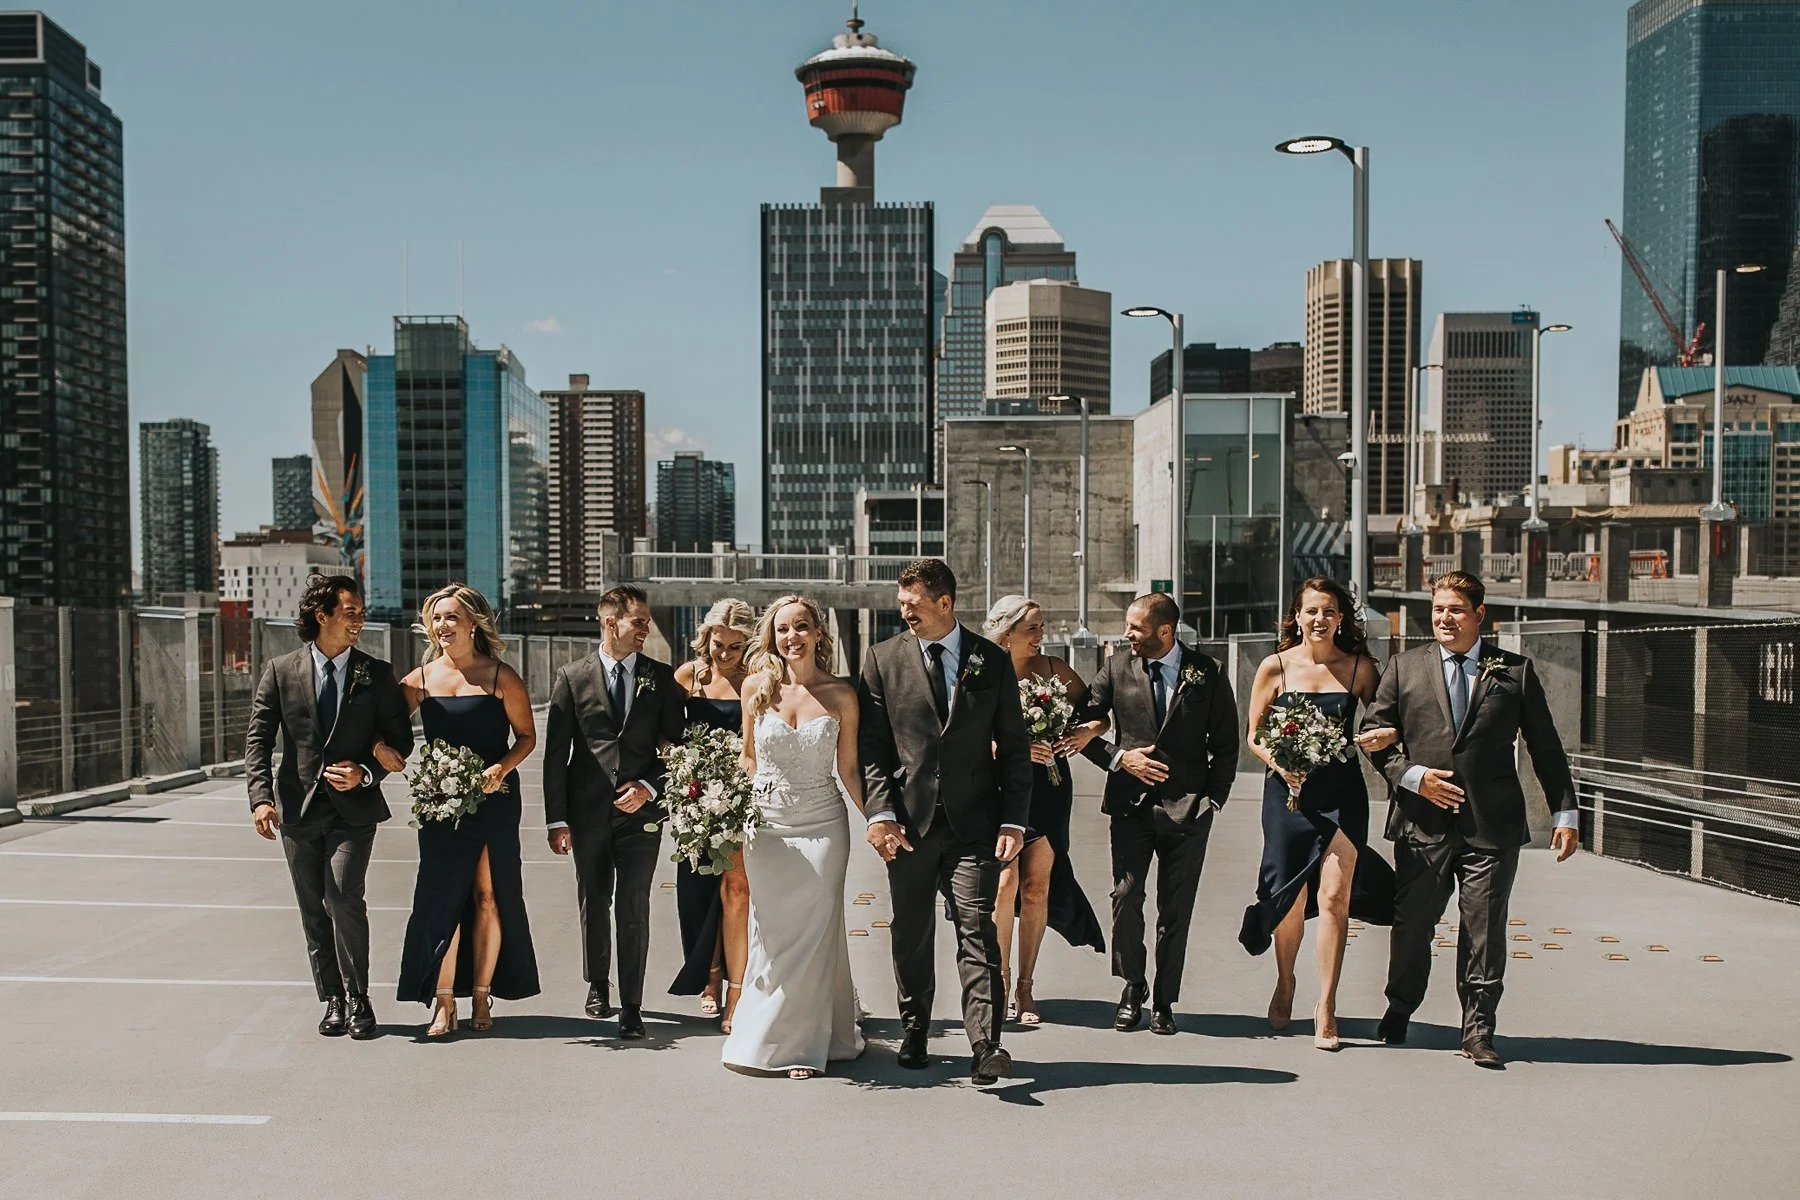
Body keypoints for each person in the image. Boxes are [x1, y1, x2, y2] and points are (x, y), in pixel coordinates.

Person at [1362, 571, 1580, 1069]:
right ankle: (1400, 1005)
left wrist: (1564, 812)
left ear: (1480, 615)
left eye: (1455, 610)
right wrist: (1414, 776)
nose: (1444, 618)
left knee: (1483, 929)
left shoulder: (1514, 672)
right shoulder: (1403, 667)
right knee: (1413, 925)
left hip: (1491, 824)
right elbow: (1376, 735)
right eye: (1438, 609)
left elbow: (1545, 747)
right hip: (1423, 822)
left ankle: (1478, 1029)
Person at [857, 558, 1033, 1087]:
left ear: (945, 603)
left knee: (978, 931)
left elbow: (1016, 750)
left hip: (973, 824)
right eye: (901, 603)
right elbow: (873, 748)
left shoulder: (990, 661)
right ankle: (915, 1030)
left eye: (913, 604)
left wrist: (1013, 821)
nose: (904, 612)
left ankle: (986, 1045)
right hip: (908, 825)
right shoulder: (882, 659)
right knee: (911, 932)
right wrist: (882, 813)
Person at [1063, 593, 1238, 1036]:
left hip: (1189, 808)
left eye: (1135, 628)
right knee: (1126, 897)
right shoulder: (1117, 667)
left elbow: (1226, 743)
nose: (1127, 635)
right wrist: (1121, 759)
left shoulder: (1209, 672)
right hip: (1130, 805)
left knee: (1175, 910)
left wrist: (1213, 800)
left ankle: (1164, 1000)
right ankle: (1133, 985)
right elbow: (1081, 727)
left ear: (1164, 631)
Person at [245, 575, 412, 1040]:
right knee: (312, 909)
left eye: (361, 611)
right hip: (297, 810)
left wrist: (368, 771)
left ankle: (360, 996)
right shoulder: (280, 671)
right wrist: (260, 798)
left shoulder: (377, 674)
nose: (360, 619)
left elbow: (402, 741)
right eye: (351, 611)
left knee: (341, 895)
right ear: (323, 616)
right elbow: (258, 740)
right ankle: (333, 999)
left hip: (354, 810)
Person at [1238, 577, 1398, 1051]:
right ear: (1297, 617)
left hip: (1342, 792)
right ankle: (1286, 981)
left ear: (1342, 618)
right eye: (1311, 611)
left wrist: (1385, 737)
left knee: (1334, 896)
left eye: (1329, 611)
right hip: (1286, 795)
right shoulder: (1275, 667)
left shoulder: (1360, 669)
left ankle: (1325, 1004)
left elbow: (1387, 719)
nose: (1320, 620)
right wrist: (1280, 763)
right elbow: (1254, 735)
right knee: (1290, 895)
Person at [721, 596, 866, 1080]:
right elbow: (747, 757)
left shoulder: (842, 695)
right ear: (773, 637)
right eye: (783, 630)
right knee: (775, 932)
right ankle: (773, 1033)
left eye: (801, 627)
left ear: (818, 634)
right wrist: (731, 805)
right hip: (768, 828)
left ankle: (801, 1047)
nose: (792, 637)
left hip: (824, 825)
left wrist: (881, 822)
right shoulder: (756, 689)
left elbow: (848, 768)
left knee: (814, 932)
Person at [387, 584, 541, 1037]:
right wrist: (380, 749)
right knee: (442, 902)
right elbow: (384, 727)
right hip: (441, 807)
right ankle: (443, 1002)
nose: (442, 626)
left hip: (494, 802)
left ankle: (480, 993)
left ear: (473, 622)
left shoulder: (500, 676)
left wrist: (501, 766)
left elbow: (527, 738)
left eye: (452, 617)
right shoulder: (418, 679)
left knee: (489, 897)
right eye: (436, 618)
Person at [542, 585, 685, 1040]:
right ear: (611, 621)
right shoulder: (571, 676)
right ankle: (598, 983)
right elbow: (555, 755)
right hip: (587, 814)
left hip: (641, 815)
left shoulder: (662, 680)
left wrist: (647, 788)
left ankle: (633, 1005)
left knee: (634, 906)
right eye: (638, 621)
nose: (646, 628)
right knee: (594, 899)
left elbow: (676, 752)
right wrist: (557, 819)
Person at [981, 595, 1106, 1027]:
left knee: (1037, 888)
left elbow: (1096, 710)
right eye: (1032, 628)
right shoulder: (979, 669)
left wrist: (1086, 731)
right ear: (1007, 632)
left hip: (1049, 788)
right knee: (1003, 885)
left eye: (1041, 627)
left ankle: (1026, 987)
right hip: (997, 790)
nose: (1041, 636)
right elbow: (957, 732)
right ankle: (998, 979)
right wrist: (1004, 748)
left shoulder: (1053, 670)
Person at [669, 598, 756, 1030]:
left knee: (735, 891)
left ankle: (728, 980)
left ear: (749, 644)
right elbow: (661, 735)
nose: (724, 654)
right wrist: (688, 767)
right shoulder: (690, 676)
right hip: (695, 799)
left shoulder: (758, 681)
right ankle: (709, 975)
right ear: (706, 638)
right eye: (718, 644)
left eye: (735, 647)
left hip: (743, 800)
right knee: (698, 894)